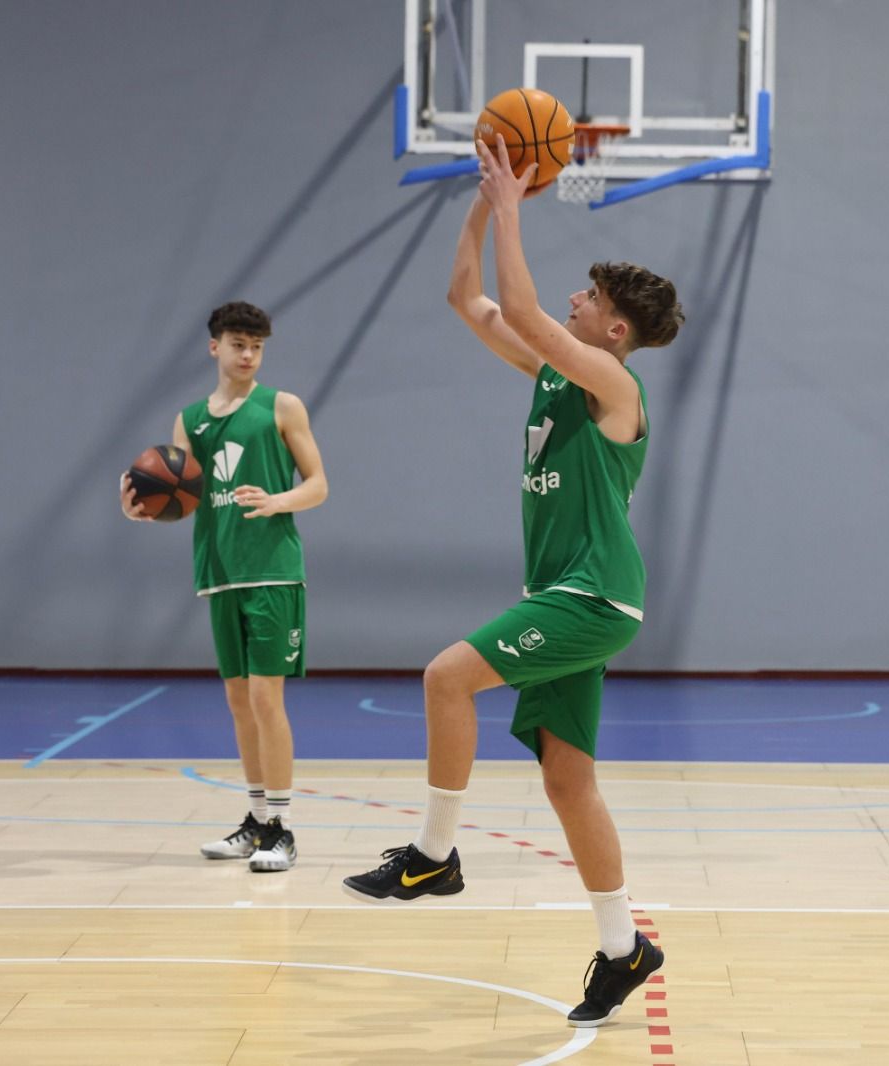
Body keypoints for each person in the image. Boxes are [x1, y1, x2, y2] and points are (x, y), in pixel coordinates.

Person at [341, 136, 684, 1028]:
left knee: (445, 676)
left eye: (591, 296)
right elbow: (470, 299)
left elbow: (526, 308)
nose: (574, 298)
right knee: (569, 782)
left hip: (592, 594)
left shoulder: (614, 383)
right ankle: (623, 949)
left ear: (613, 329)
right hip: (574, 596)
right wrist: (482, 201)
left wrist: (517, 206)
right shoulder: (554, 379)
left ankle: (434, 854)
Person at [120, 301, 329, 873]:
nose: (248, 355)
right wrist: (144, 508)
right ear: (215, 347)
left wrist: (277, 501)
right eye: (238, 344)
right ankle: (256, 820)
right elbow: (181, 495)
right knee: (239, 704)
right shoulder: (190, 420)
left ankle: (282, 829)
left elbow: (318, 484)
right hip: (218, 572)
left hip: (274, 572)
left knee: (266, 698)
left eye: (257, 346)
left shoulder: (281, 406)